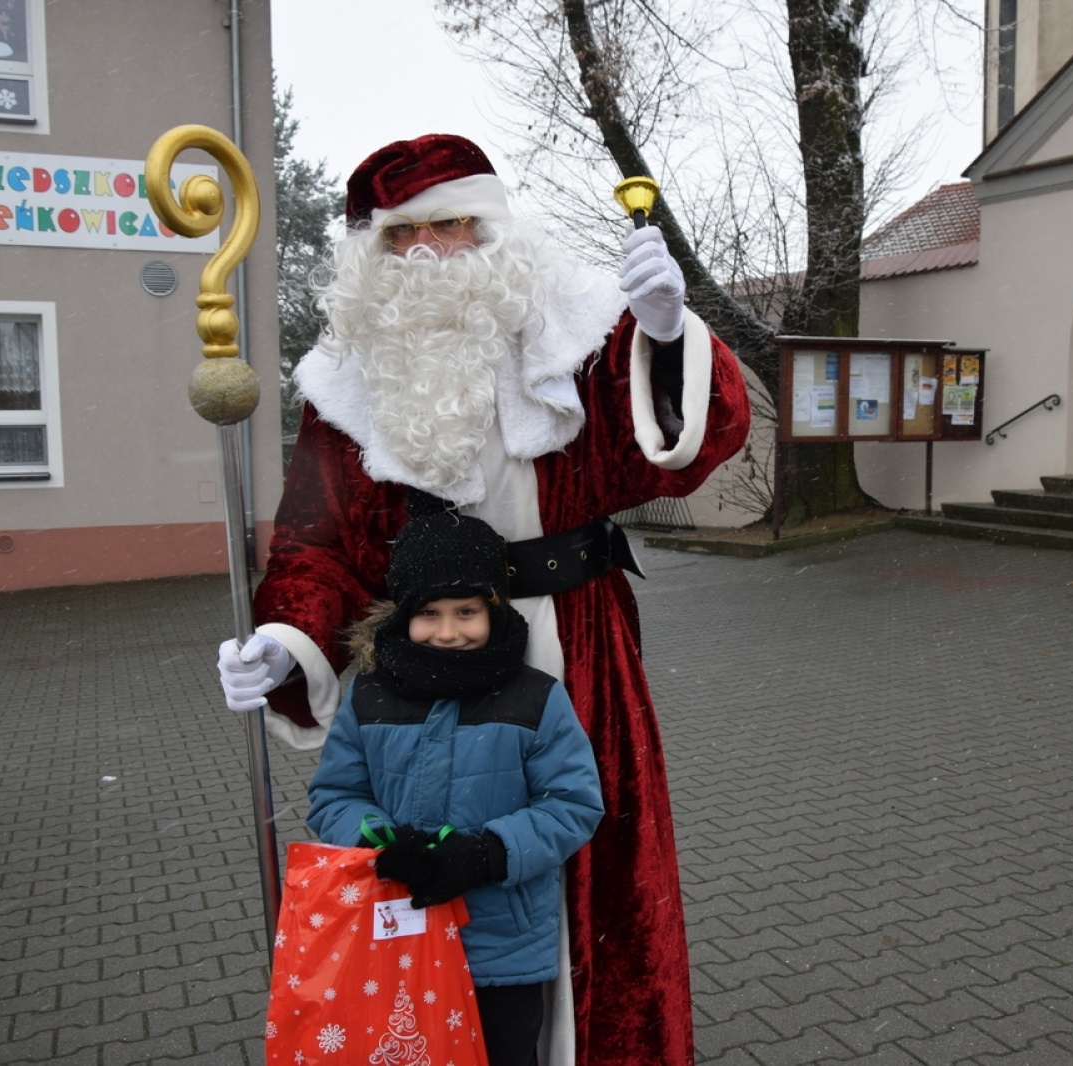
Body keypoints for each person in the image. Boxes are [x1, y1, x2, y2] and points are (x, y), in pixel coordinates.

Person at [217, 133, 751, 1066]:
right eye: (403, 236)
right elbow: (314, 544)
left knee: (585, 879)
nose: (430, 252)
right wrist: (284, 639)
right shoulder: (340, 387)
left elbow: (674, 454)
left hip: (570, 655)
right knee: (420, 884)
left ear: (494, 228)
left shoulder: (578, 337)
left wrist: (667, 339)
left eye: (455, 224)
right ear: (370, 256)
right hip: (413, 670)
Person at [307, 512, 604, 1066]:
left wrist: (489, 852)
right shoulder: (370, 695)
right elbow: (334, 794)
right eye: (429, 614)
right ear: (403, 616)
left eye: (466, 611)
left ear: (493, 610)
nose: (448, 632)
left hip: (501, 946)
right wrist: (383, 841)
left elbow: (573, 803)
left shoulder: (535, 697)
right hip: (396, 929)